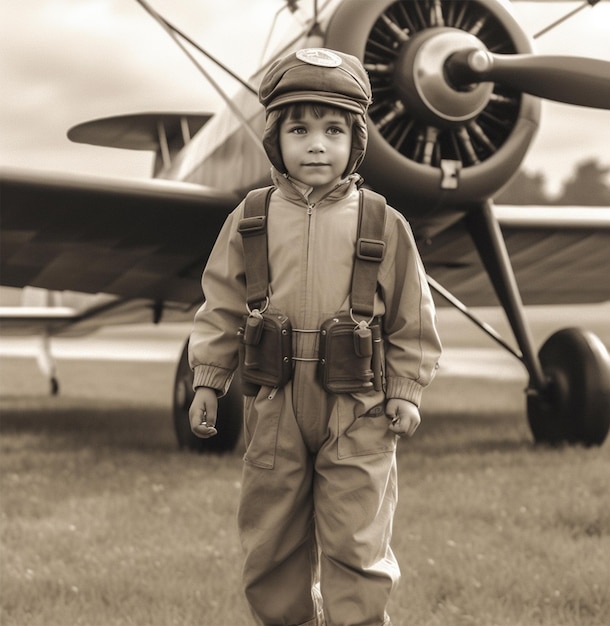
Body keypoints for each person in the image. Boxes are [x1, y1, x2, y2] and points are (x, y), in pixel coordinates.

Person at [188, 47, 442, 626]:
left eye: (333, 129)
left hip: (359, 407)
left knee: (356, 538)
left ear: (357, 140)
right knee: (269, 540)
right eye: (299, 129)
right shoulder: (249, 218)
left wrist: (405, 388)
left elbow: (411, 315)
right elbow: (221, 304)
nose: (316, 144)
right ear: (275, 139)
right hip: (272, 402)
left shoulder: (384, 222)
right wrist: (208, 377)